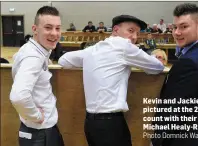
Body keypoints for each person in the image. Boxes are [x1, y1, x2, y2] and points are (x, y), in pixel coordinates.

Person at [58, 15, 164, 146]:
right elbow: (157, 67)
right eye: (130, 31)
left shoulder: (93, 49)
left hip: (90, 123)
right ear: (115, 30)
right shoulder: (124, 46)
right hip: (110, 124)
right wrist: (154, 55)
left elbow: (63, 60)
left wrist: (92, 63)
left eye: (137, 33)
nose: (135, 37)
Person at [151, 3, 198, 146]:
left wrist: (158, 139)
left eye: (184, 27)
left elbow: (174, 109)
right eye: (175, 27)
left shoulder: (187, 63)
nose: (177, 32)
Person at [10, 6, 64, 146]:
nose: (54, 33)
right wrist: (36, 116)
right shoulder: (33, 57)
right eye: (48, 27)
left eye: (58, 28)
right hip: (39, 133)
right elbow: (18, 96)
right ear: (35, 29)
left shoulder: (31, 49)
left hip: (39, 131)